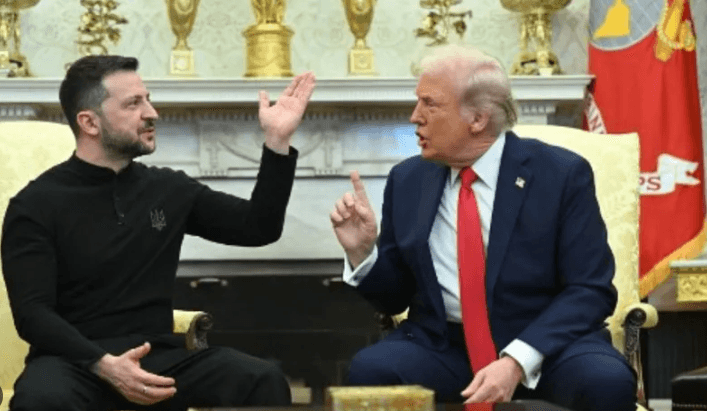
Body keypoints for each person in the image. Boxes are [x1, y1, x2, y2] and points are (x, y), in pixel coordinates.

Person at [329, 44, 636, 411]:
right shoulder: (408, 180)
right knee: (371, 371)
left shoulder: (561, 174)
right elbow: (395, 297)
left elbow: (590, 290)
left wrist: (517, 360)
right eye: (417, 102)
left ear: (477, 119)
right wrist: (362, 252)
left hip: (549, 345)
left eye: (430, 104)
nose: (414, 117)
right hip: (445, 347)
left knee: (606, 382)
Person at [1, 55, 315, 411]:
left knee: (261, 379)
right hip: (75, 363)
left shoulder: (168, 188)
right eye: (133, 104)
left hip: (159, 359)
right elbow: (33, 314)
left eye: (148, 99)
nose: (152, 113)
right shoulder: (35, 204)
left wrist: (277, 141)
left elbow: (259, 227)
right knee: (39, 399)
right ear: (89, 122)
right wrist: (103, 364)